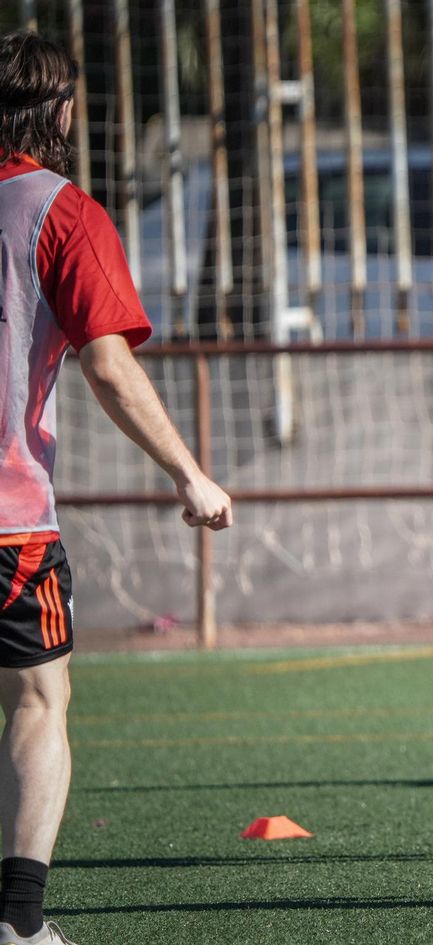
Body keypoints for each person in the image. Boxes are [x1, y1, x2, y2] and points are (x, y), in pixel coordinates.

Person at [0, 31, 233, 945]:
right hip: (10, 522)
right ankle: (18, 923)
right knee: (36, 702)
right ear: (61, 112)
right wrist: (189, 471)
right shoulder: (62, 213)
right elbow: (107, 364)